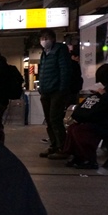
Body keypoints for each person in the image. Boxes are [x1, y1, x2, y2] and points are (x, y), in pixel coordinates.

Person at [56, 64, 108, 169]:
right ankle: (78, 156)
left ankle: (89, 159)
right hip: (106, 120)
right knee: (73, 128)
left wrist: (104, 95)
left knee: (82, 130)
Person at [37, 29, 72, 158]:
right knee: (49, 120)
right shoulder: (44, 53)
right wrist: (41, 88)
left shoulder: (60, 50)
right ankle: (54, 145)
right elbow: (42, 71)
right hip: (45, 91)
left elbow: (64, 70)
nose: (44, 40)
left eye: (46, 37)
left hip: (57, 91)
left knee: (55, 119)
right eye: (42, 37)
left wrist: (62, 89)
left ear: (53, 38)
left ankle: (63, 148)